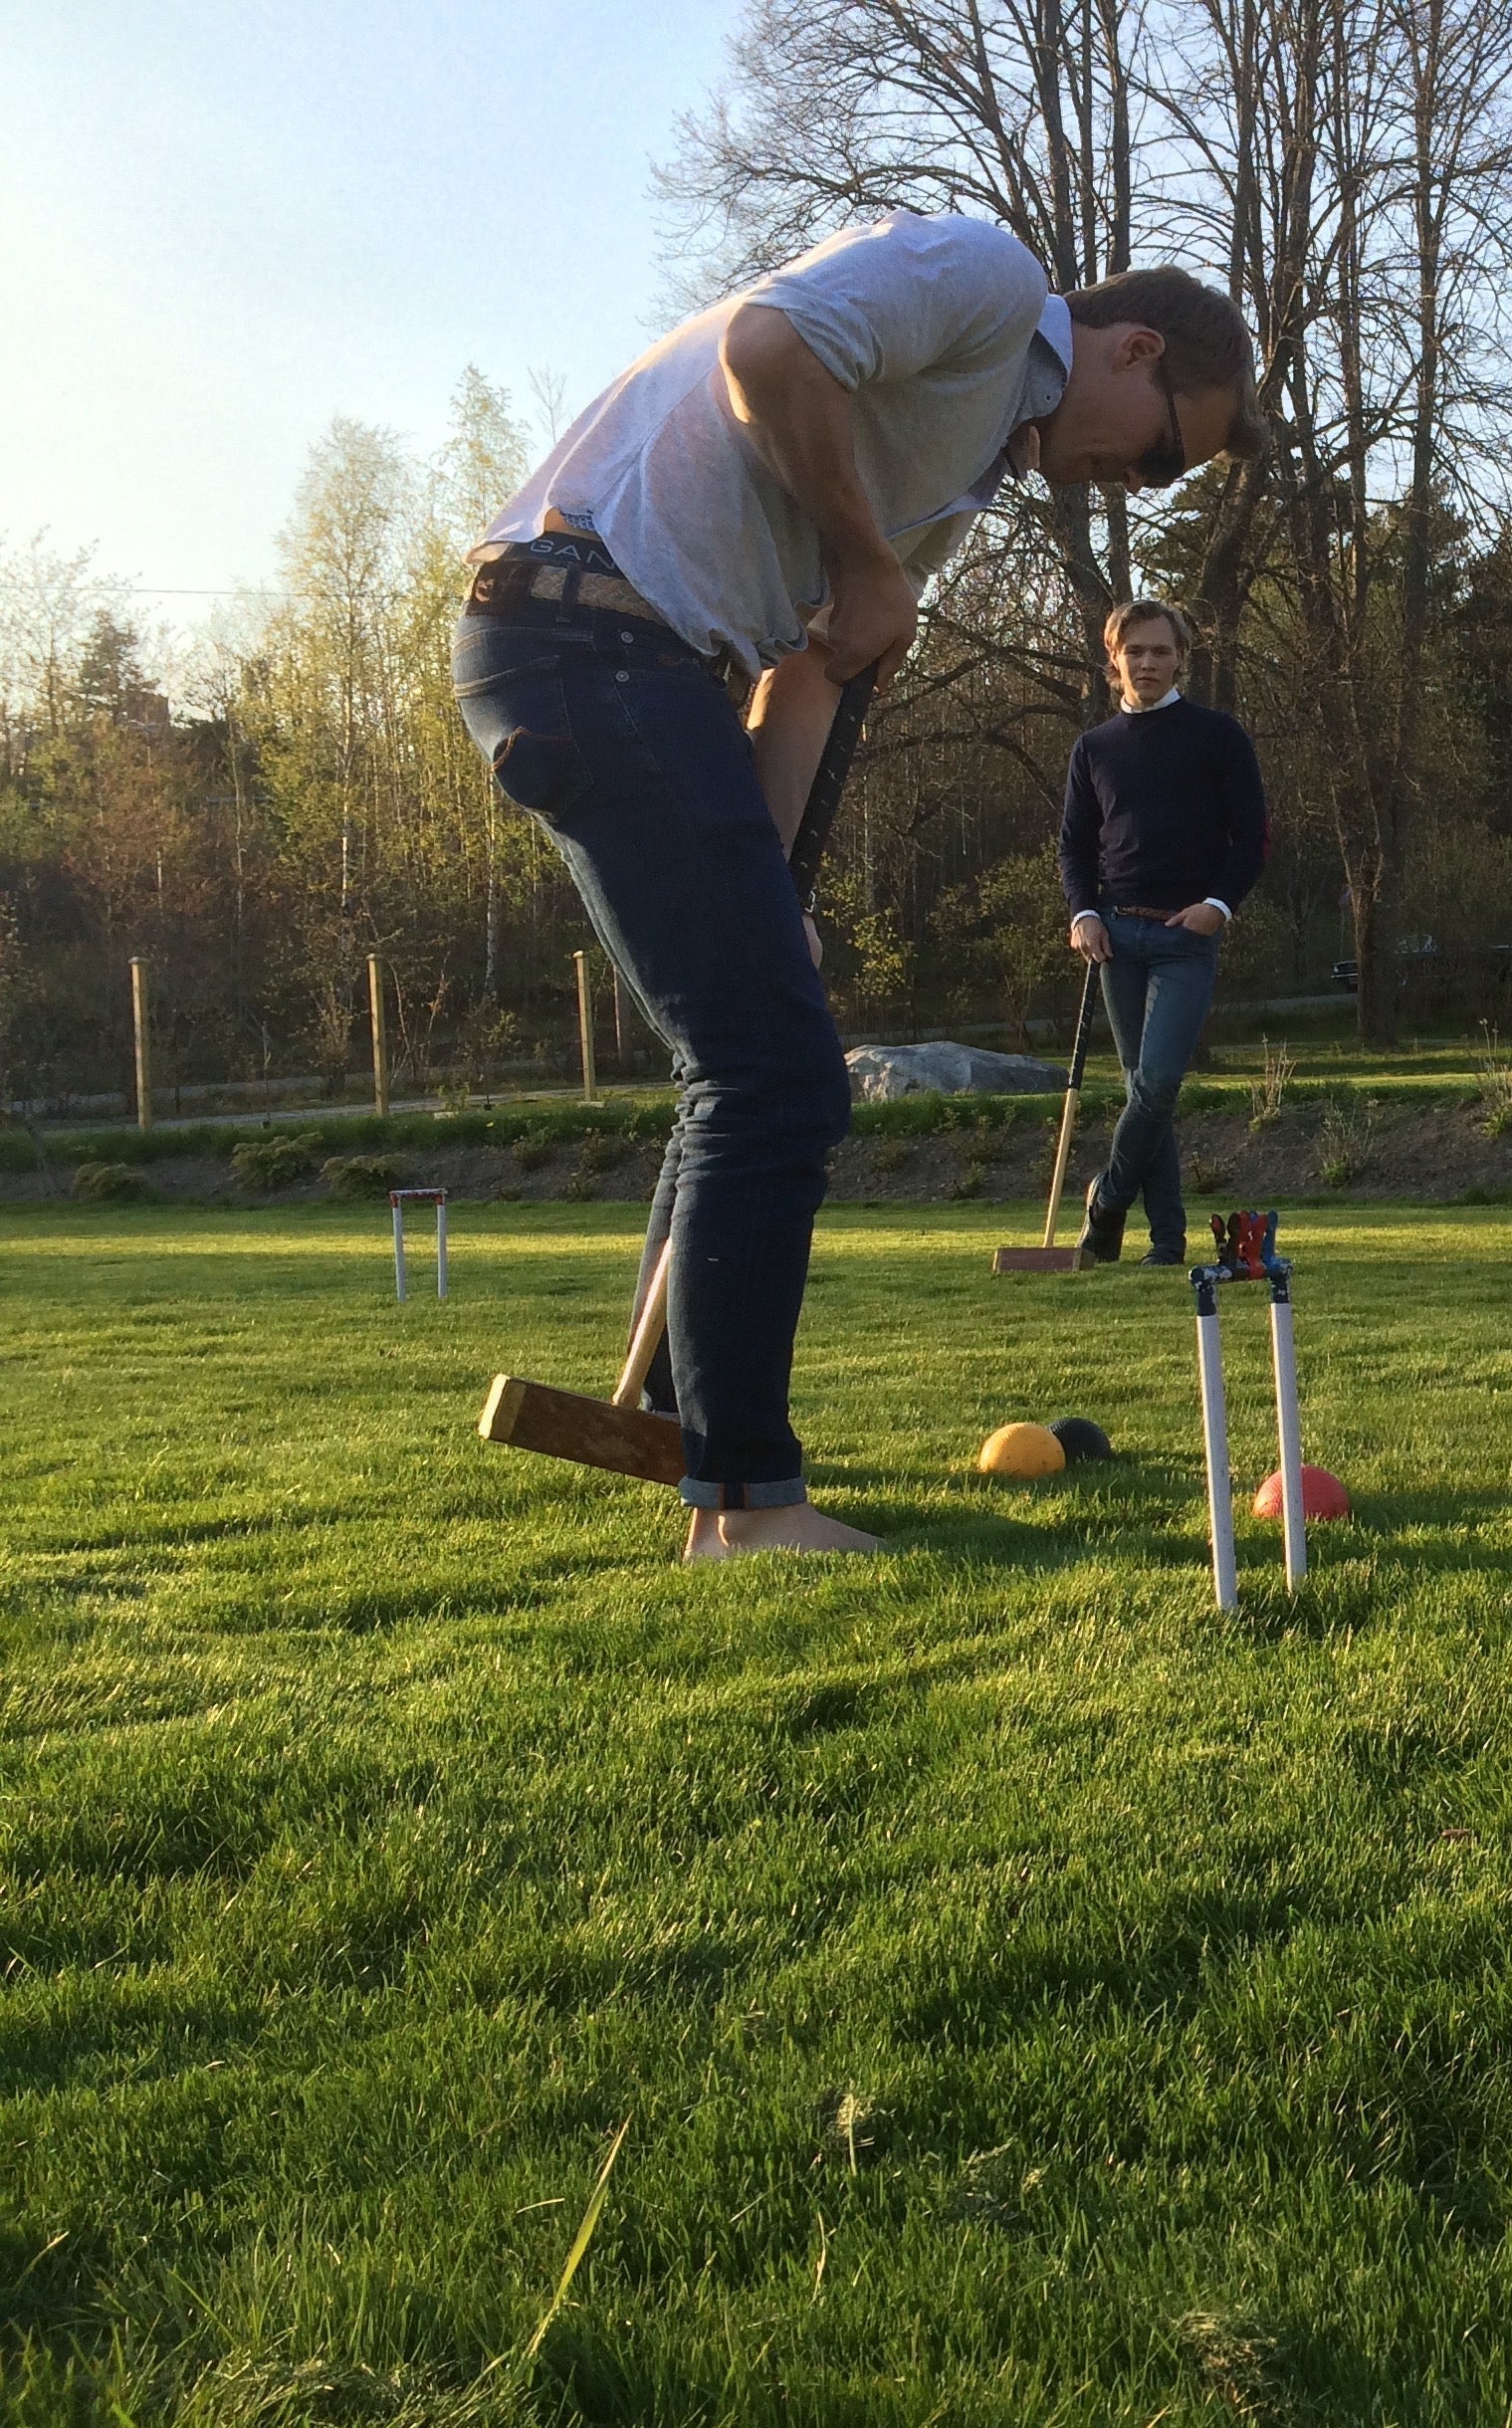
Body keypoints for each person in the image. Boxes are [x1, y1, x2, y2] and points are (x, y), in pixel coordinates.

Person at [453, 213, 1261, 1557]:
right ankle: (747, 1509)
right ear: (1134, 349)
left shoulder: (966, 468)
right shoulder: (992, 287)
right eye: (1167, 452)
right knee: (772, 1077)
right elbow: (765, 350)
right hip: (588, 633)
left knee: (753, 1048)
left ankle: (682, 1437)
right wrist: (868, 558)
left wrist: (773, 893)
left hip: (634, 665)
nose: (1141, 485)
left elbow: (816, 668)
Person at [1057, 598, 1271, 1264]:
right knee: (1143, 1095)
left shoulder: (1218, 735)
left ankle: (1106, 1201)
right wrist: (1082, 912)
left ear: (1181, 657)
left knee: (1155, 1086)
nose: (1147, 662)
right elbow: (1073, 848)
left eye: (1160, 651)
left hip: (1187, 938)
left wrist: (1219, 904)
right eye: (1135, 651)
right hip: (1115, 939)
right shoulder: (1093, 748)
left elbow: (1253, 837)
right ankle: (1167, 1242)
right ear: (1113, 660)